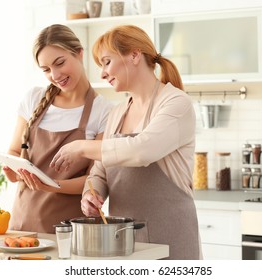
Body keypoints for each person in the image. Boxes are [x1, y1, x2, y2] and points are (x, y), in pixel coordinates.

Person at [50, 25, 202, 259]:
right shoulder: (117, 113)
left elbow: (142, 150)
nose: (101, 73)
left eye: (106, 62)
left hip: (171, 237)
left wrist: (81, 147)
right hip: (125, 241)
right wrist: (90, 194)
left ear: (134, 55)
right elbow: (99, 172)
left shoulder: (175, 103)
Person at [2, 24, 114, 233]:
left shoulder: (104, 111)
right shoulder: (33, 98)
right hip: (23, 226)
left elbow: (95, 179)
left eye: (60, 63)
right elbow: (14, 152)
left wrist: (50, 185)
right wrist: (12, 170)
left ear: (79, 54)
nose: (54, 74)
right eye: (45, 70)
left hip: (72, 230)